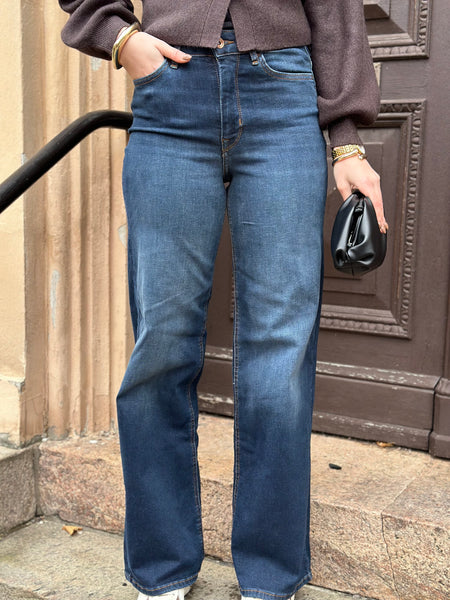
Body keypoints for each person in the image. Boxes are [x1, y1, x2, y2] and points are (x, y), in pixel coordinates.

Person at [58, 2, 387, 599]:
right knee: (161, 343)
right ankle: (161, 567)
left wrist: (346, 141)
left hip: (285, 95)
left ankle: (270, 575)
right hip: (171, 91)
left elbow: (335, 9)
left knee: (280, 350)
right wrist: (119, 37)